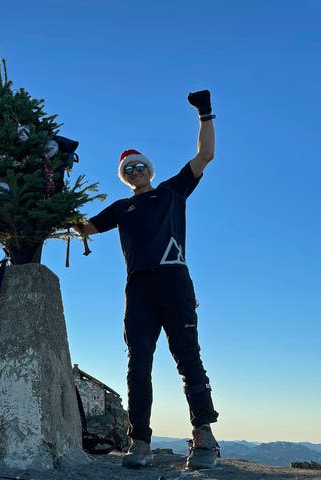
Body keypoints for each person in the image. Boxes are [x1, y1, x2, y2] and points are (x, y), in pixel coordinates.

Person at [75, 90, 220, 470]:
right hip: (138, 289)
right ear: (123, 178)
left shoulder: (172, 192)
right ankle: (139, 441)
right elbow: (83, 227)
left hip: (174, 281)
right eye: (128, 170)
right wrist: (52, 193)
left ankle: (204, 435)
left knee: (188, 357)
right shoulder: (121, 208)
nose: (134, 172)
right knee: (138, 364)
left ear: (150, 170)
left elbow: (205, 156)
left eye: (139, 167)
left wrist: (205, 113)